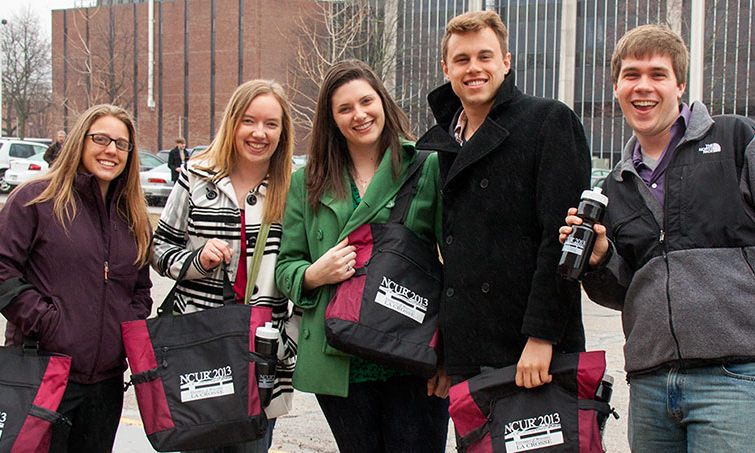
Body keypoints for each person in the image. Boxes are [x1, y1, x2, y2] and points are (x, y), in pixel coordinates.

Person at [560, 24, 755, 451]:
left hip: (735, 376)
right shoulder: (612, 187)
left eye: (657, 74)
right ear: (616, 87)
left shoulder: (737, 139)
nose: (642, 86)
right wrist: (599, 258)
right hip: (650, 386)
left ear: (680, 84)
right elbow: (622, 291)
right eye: (631, 75)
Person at [275, 59, 449, 453]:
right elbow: (286, 266)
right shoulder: (308, 181)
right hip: (340, 358)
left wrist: (448, 357)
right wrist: (313, 274)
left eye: (366, 101)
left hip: (412, 354)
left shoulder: (425, 168)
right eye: (344, 108)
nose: (359, 115)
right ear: (331, 119)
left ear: (382, 102)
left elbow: (453, 266)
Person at [415, 10, 590, 389]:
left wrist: (543, 337)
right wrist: (447, 349)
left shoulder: (549, 121)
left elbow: (563, 241)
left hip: (533, 350)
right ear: (446, 69)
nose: (473, 68)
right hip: (468, 355)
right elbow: (454, 261)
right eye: (461, 59)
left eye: (484, 56)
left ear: (506, 63)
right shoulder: (447, 142)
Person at [0, 104, 153, 452]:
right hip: (43, 374)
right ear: (81, 141)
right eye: (101, 139)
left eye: (121, 144)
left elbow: (141, 290)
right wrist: (48, 323)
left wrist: (123, 330)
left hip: (105, 386)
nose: (111, 150)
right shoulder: (36, 199)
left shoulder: (132, 215)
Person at [151, 80, 299, 453]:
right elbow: (159, 248)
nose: (259, 133)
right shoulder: (196, 178)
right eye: (248, 121)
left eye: (271, 124)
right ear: (232, 123)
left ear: (283, 132)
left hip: (259, 357)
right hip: (198, 350)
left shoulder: (294, 189)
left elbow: (305, 273)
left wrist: (287, 341)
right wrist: (197, 261)